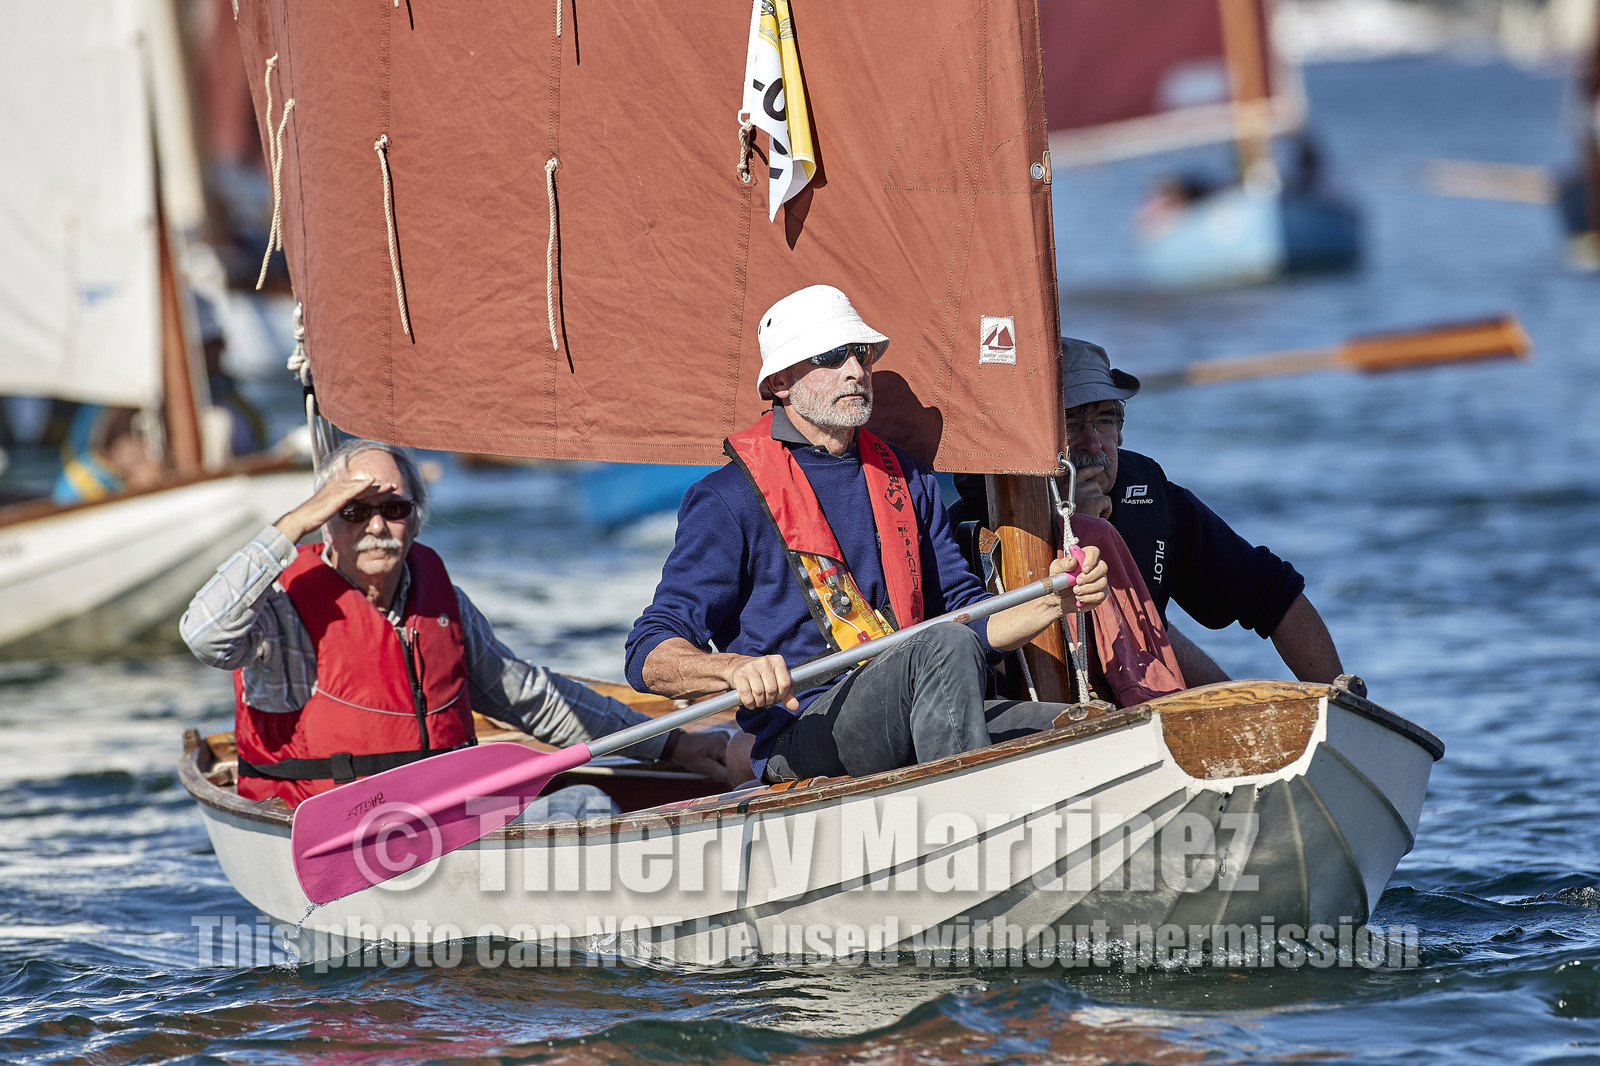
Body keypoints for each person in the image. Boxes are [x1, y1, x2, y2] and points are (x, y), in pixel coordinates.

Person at [624, 284, 1113, 786]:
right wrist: (732, 669)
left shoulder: (908, 478)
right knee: (942, 646)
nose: (856, 370)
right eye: (831, 357)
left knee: (1089, 729)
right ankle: (962, 815)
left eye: (862, 353)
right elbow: (647, 651)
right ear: (781, 383)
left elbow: (966, 617)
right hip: (803, 730)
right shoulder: (726, 499)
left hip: (920, 697)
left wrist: (1054, 600)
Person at [180, 438, 729, 810]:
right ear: (327, 522)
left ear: (415, 519)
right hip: (327, 818)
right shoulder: (282, 607)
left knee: (587, 804)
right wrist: (295, 520)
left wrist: (671, 747)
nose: (376, 526)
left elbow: (532, 699)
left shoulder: (441, 605)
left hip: (444, 813)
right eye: (354, 510)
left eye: (393, 509)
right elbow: (204, 634)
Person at [958, 338, 1342, 686]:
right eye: (1070, 423)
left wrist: (1346, 709)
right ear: (1028, 441)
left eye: (1105, 420)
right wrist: (1077, 528)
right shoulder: (976, 523)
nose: (1093, 443)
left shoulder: (1151, 497)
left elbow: (1273, 596)